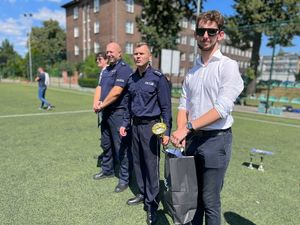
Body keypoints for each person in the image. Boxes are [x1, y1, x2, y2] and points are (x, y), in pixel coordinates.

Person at [170, 10, 244, 225]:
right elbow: (184, 104)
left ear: (220, 35)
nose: (205, 36)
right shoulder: (192, 71)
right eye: (201, 31)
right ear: (195, 34)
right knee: (193, 198)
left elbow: (222, 108)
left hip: (216, 140)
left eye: (211, 31)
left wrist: (187, 127)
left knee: (210, 200)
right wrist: (183, 132)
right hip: (193, 139)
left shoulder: (228, 66)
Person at [120, 42, 172, 225]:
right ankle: (142, 194)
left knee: (151, 167)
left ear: (149, 57)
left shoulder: (158, 78)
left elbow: (166, 107)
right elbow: (127, 104)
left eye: (141, 53)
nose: (137, 56)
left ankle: (152, 206)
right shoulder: (132, 78)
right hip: (135, 127)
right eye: (135, 53)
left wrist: (166, 132)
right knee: (138, 163)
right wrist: (125, 123)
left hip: (152, 128)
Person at [93, 42, 133, 194]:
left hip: (118, 113)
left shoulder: (124, 69)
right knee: (106, 144)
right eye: (107, 51)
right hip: (106, 113)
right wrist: (96, 103)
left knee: (121, 147)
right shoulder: (107, 69)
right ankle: (107, 170)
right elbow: (101, 88)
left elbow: (117, 91)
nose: (109, 54)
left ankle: (124, 178)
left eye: (112, 52)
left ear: (119, 53)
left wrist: (101, 105)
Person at [93, 52, 109, 166]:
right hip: (101, 106)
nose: (97, 61)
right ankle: (106, 154)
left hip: (106, 106)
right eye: (96, 59)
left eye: (99, 59)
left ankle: (109, 156)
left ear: (106, 60)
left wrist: (101, 103)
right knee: (104, 133)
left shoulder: (107, 71)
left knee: (106, 133)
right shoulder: (103, 71)